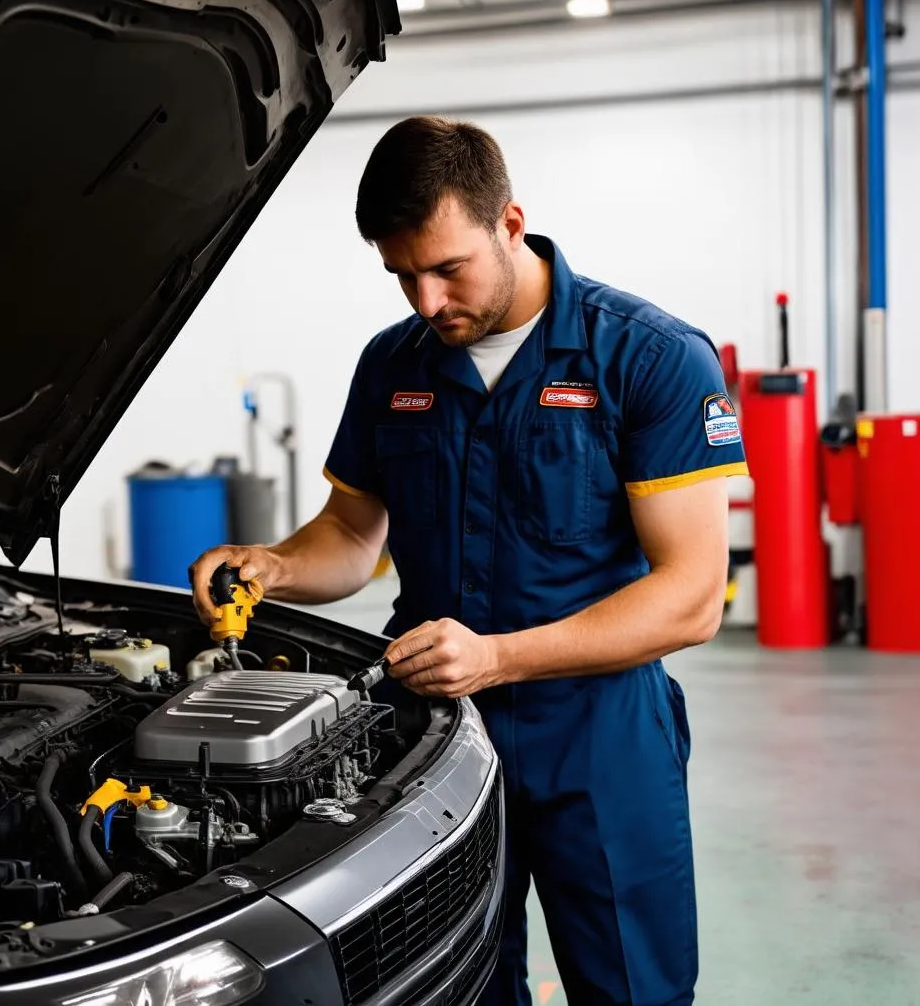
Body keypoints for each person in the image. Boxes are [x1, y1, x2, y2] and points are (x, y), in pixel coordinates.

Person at [190, 115, 748, 1006]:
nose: (424, 300)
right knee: (455, 983)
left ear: (510, 223)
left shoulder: (647, 358)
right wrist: (270, 565)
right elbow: (350, 537)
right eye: (401, 274)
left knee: (634, 988)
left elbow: (689, 600)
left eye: (447, 268)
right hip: (433, 745)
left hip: (597, 740)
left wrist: (496, 656)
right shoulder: (392, 367)